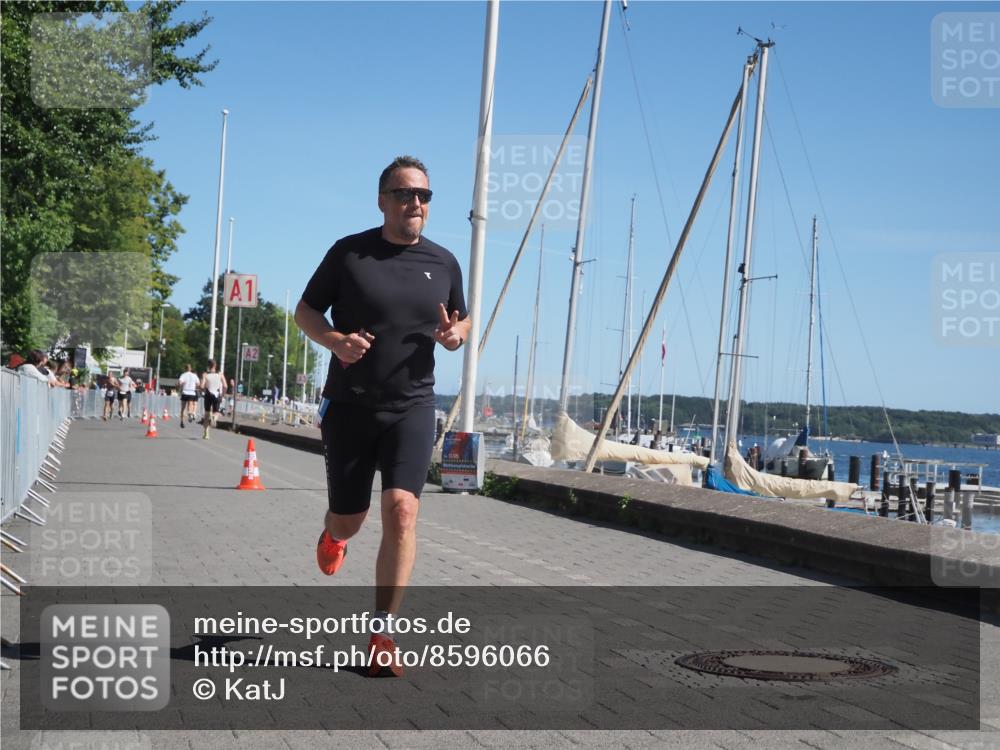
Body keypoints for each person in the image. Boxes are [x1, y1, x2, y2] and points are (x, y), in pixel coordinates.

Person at [295, 155, 470, 677]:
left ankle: (382, 635)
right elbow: (306, 311)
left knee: (402, 511)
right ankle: (333, 536)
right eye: (404, 194)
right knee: (350, 519)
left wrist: (457, 337)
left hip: (413, 406)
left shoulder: (443, 262)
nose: (415, 203)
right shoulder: (349, 254)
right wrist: (334, 341)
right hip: (349, 406)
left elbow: (460, 322)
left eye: (423, 195)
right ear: (382, 200)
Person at [199, 359, 226, 439]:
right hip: (217, 394)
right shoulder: (220, 374)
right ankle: (214, 417)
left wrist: (203, 391)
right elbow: (225, 386)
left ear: (208, 366)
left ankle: (206, 433)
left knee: (206, 414)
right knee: (216, 412)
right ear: (215, 365)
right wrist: (222, 395)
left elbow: (201, 386)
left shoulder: (205, 374)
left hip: (208, 394)